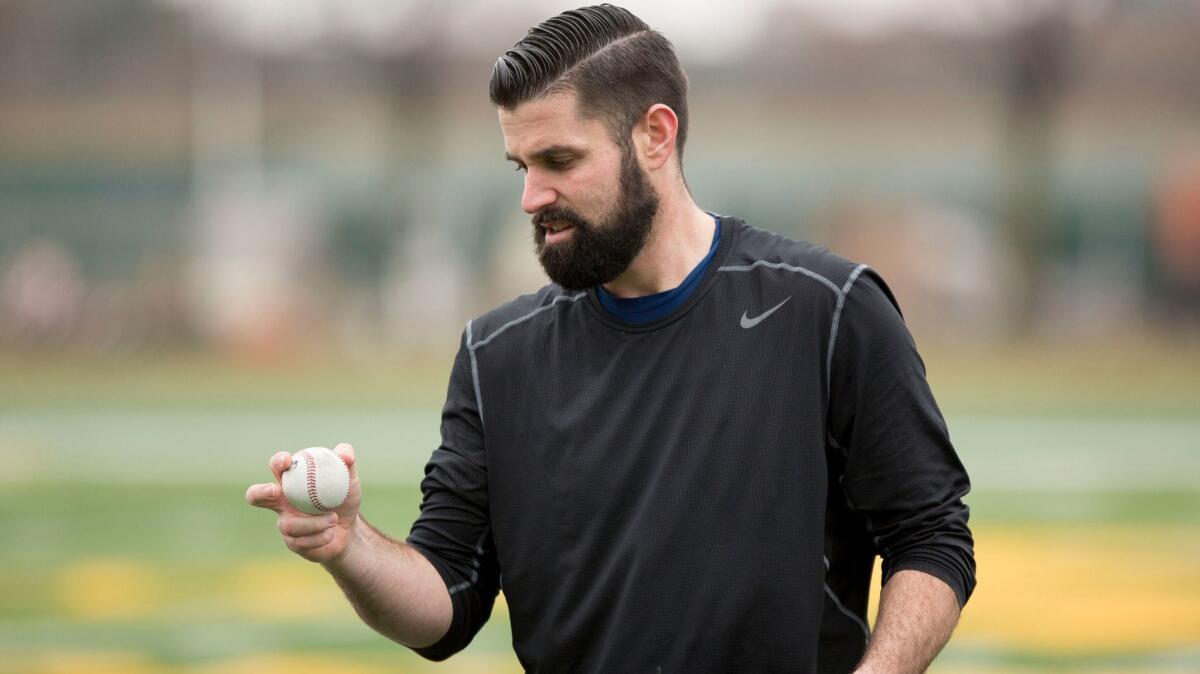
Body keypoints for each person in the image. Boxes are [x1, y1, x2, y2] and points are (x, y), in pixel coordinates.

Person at [246, 5, 975, 672]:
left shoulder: (829, 308)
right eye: (521, 167)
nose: (532, 197)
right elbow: (444, 606)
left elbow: (933, 537)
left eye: (559, 161)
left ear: (655, 135)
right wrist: (351, 548)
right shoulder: (495, 356)